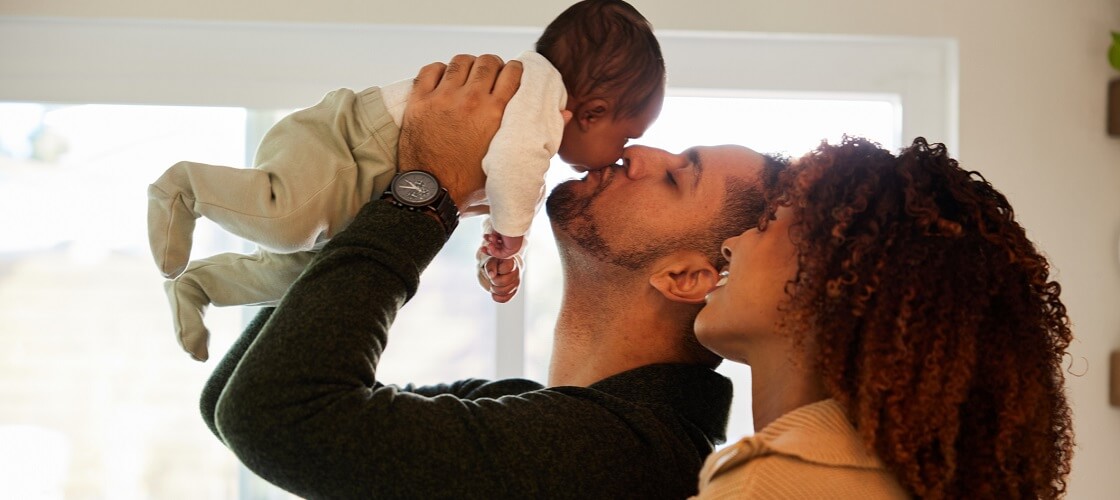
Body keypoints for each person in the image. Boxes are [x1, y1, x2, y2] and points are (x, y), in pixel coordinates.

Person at [198, 53, 787, 499]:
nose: (640, 154)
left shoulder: (622, 455)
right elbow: (233, 401)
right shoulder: (539, 415)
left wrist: (426, 191)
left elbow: (275, 413)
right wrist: (380, 194)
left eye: (679, 177)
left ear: (687, 277)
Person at [146, 0, 665, 361]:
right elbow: (511, 169)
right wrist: (513, 230)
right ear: (592, 112)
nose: (626, 155)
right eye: (627, 138)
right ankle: (184, 188)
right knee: (288, 225)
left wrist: (499, 251)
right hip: (347, 142)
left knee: (295, 280)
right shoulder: (541, 95)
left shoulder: (534, 136)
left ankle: (200, 286)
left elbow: (464, 185)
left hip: (364, 184)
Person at [693, 136, 1074, 499]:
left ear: (832, 274)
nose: (730, 245)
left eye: (768, 224)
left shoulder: (768, 485)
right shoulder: (910, 479)